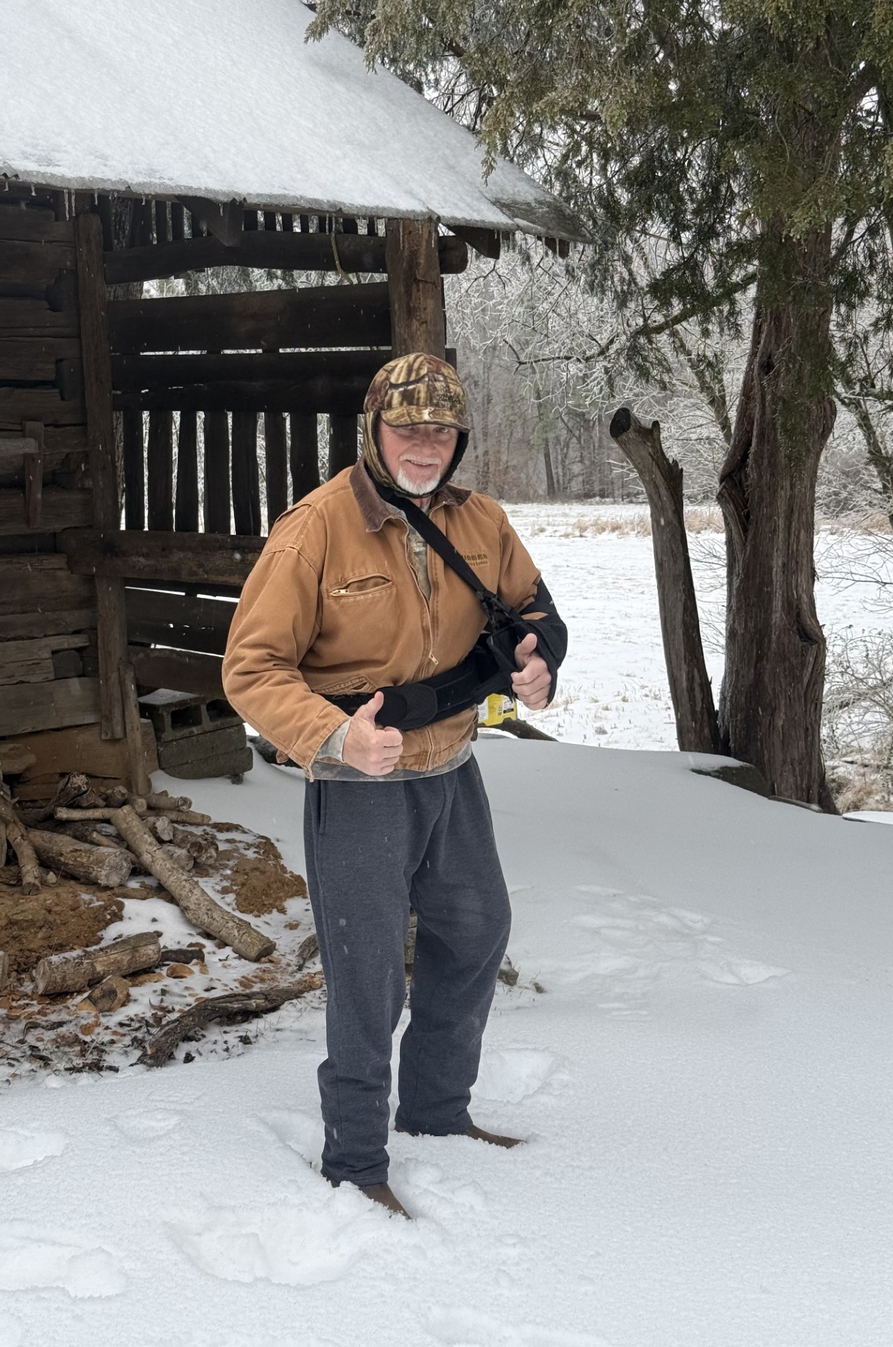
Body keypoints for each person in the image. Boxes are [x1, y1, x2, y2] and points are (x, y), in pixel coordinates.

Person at [222, 352, 566, 1217]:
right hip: (360, 786)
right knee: (367, 971)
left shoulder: (478, 519)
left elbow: (534, 610)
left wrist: (539, 664)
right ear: (373, 430)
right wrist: (334, 736)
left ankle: (438, 1113)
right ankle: (356, 1159)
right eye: (408, 428)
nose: (426, 446)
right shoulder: (314, 531)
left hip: (452, 770)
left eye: (442, 431)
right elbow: (251, 670)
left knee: (477, 930)